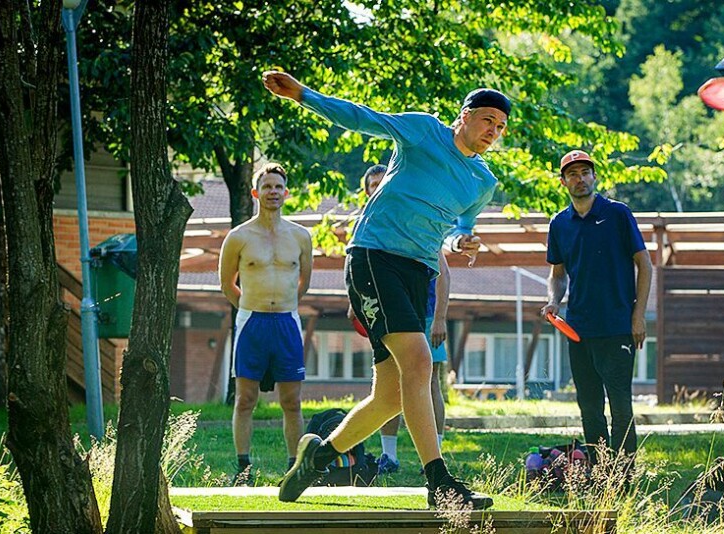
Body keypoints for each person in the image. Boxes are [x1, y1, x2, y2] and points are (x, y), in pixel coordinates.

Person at [263, 69, 509, 509]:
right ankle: (440, 483)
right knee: (419, 362)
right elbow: (361, 117)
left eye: (502, 127)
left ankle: (319, 456)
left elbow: (457, 229)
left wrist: (461, 242)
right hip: (374, 257)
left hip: (418, 271)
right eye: (488, 120)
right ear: (465, 116)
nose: (494, 131)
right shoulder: (422, 131)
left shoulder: (483, 182)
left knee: (393, 395)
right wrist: (302, 94)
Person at [541, 149, 652, 470]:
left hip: (618, 325)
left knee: (620, 407)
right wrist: (553, 300)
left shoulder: (618, 214)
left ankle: (624, 475)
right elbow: (557, 275)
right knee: (589, 408)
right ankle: (600, 473)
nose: (580, 178)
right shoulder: (559, 223)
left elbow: (645, 265)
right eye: (573, 174)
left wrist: (638, 315)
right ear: (563, 182)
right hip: (578, 330)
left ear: (594, 177)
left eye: (585, 172)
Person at [353, 165, 453, 475]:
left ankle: (434, 459)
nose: (377, 187)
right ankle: (390, 456)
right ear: (367, 190)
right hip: (387, 310)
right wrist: (357, 303)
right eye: (372, 184)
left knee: (430, 381)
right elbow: (360, 270)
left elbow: (443, 273)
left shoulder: (418, 218)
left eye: (382, 182)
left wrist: (439, 318)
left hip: (423, 312)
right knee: (389, 386)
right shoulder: (366, 226)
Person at [218, 163, 314, 485]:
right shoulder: (238, 237)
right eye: (267, 186)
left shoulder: (301, 236)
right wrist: (251, 308)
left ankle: (294, 469)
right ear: (256, 193)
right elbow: (227, 285)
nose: (273, 192)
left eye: (278, 187)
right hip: (251, 323)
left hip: (287, 322)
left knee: (292, 401)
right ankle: (243, 469)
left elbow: (304, 283)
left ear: (286, 193)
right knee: (245, 399)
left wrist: (283, 305)